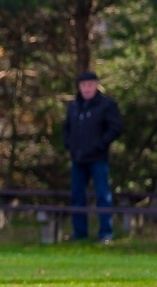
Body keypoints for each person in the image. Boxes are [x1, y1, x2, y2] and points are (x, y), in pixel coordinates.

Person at [62, 71, 122, 244]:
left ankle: (106, 233)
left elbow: (115, 128)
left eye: (90, 85)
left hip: (98, 158)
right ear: (79, 87)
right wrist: (69, 144)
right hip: (78, 159)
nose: (87, 88)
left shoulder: (106, 105)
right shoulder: (74, 106)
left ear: (96, 85)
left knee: (103, 195)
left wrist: (101, 144)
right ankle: (80, 232)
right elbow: (66, 128)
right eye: (83, 85)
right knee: (77, 196)